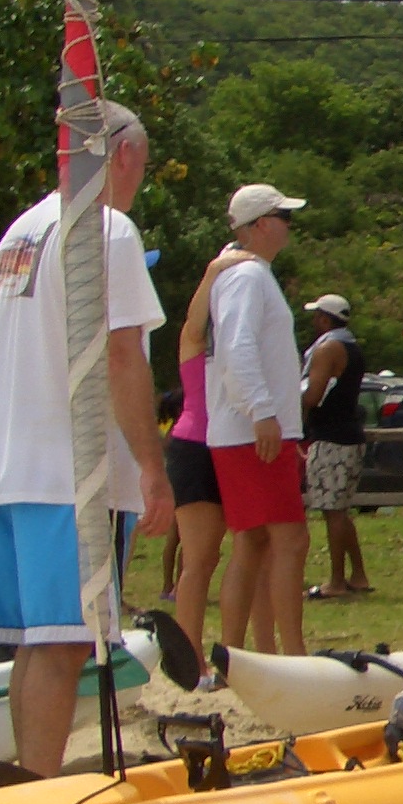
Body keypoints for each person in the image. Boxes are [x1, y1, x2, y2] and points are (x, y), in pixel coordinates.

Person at [0, 102, 174, 777]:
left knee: (37, 644)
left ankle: (28, 781)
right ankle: (38, 791)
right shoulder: (105, 228)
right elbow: (123, 356)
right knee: (62, 646)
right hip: (69, 470)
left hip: (9, 467)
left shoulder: (21, 230)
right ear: (123, 156)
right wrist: (151, 465)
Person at [209, 183, 310, 659]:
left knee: (252, 543)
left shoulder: (245, 272)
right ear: (261, 224)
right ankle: (292, 653)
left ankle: (241, 652)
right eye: (284, 217)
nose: (290, 226)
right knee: (290, 539)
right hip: (254, 429)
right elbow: (236, 344)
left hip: (243, 428)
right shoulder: (247, 276)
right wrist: (262, 411)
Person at [160, 244, 259, 651]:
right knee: (199, 559)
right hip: (195, 446)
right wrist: (214, 270)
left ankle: (233, 650)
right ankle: (190, 656)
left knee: (247, 549)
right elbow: (191, 323)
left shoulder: (245, 337)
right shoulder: (197, 343)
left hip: (233, 446)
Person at [299, 293, 370, 598]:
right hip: (350, 433)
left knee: (332, 511)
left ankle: (336, 580)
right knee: (341, 509)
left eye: (317, 316)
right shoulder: (352, 347)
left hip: (330, 436)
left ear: (325, 319)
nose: (314, 321)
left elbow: (313, 396)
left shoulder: (328, 349)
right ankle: (358, 574)